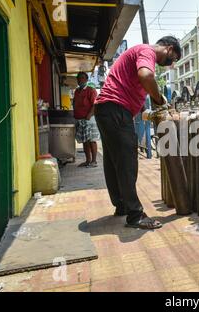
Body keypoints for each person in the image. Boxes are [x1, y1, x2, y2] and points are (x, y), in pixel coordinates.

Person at [94, 36, 181, 230]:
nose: (171, 63)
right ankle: (135, 215)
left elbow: (136, 83)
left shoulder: (139, 52)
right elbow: (146, 76)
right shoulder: (146, 51)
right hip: (116, 109)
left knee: (113, 160)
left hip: (105, 109)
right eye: (173, 58)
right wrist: (159, 100)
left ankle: (122, 205)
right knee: (126, 161)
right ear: (169, 48)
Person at [73, 72, 100, 168]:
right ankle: (88, 160)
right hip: (80, 120)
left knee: (92, 140)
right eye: (78, 78)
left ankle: (94, 161)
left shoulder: (91, 90)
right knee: (85, 141)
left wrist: (89, 115)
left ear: (86, 79)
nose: (80, 80)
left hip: (89, 119)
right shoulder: (77, 91)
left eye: (82, 78)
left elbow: (95, 104)